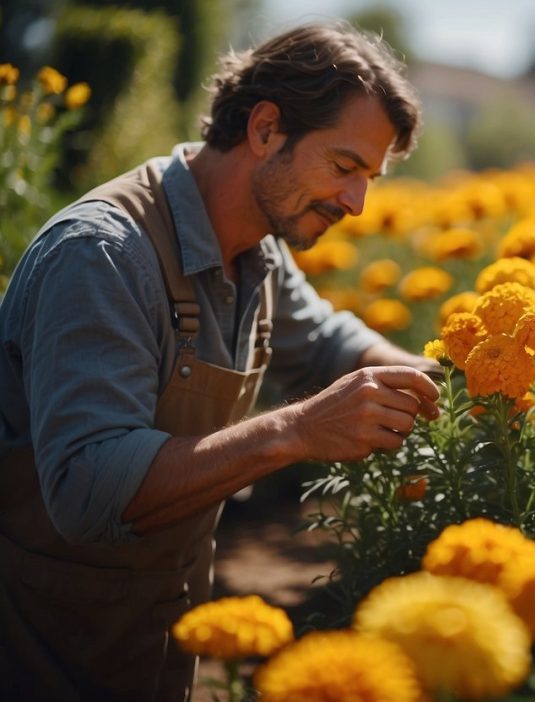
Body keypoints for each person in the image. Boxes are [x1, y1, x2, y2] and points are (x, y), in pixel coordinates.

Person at [0, 21, 441, 701]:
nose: (357, 203)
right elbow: (90, 488)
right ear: (265, 129)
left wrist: (455, 378)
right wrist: (293, 431)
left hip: (156, 633)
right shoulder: (103, 255)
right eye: (345, 166)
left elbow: (325, 343)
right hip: (43, 646)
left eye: (369, 178)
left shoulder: (257, 249)